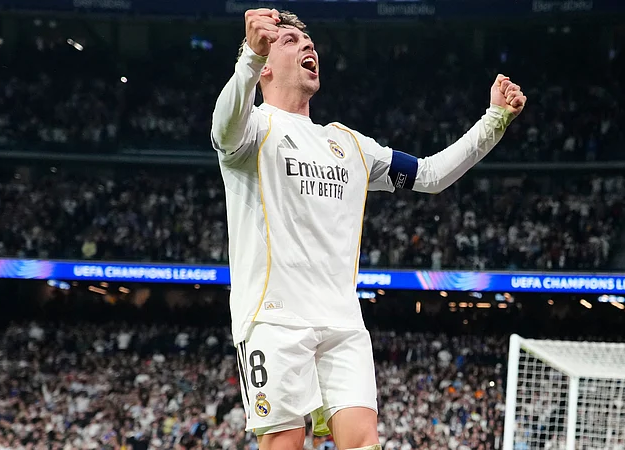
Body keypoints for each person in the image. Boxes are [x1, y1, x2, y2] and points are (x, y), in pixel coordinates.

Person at [210, 8, 526, 450]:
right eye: (290, 41)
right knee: (285, 442)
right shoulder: (253, 129)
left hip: (342, 321)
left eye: (310, 43)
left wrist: (494, 120)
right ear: (264, 65)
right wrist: (246, 58)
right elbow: (223, 127)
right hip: (273, 317)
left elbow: (431, 175)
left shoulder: (350, 145)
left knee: (363, 443)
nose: (308, 46)